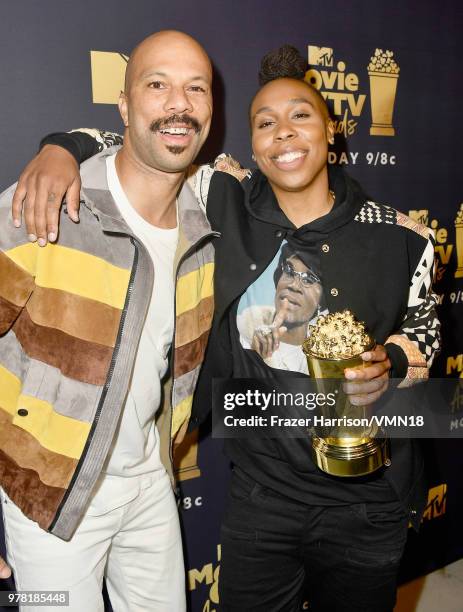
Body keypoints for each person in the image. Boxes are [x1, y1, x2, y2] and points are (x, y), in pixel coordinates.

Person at [8, 45, 440, 612]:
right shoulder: (221, 195)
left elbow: (427, 331)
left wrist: (395, 363)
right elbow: (150, 141)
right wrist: (63, 148)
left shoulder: (402, 236)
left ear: (332, 131)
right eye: (265, 123)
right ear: (253, 144)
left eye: (301, 116)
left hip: (366, 505)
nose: (283, 133)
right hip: (259, 501)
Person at [0, 29, 216, 611]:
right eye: (157, 85)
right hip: (48, 495)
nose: (179, 104)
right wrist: (61, 147)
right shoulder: (44, 203)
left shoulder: (207, 217)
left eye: (196, 88)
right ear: (124, 104)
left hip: (149, 482)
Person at [238, 242, 328, 372]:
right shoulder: (246, 326)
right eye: (289, 271)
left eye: (309, 279)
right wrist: (253, 356)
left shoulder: (327, 346)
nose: (294, 286)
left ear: (322, 300)